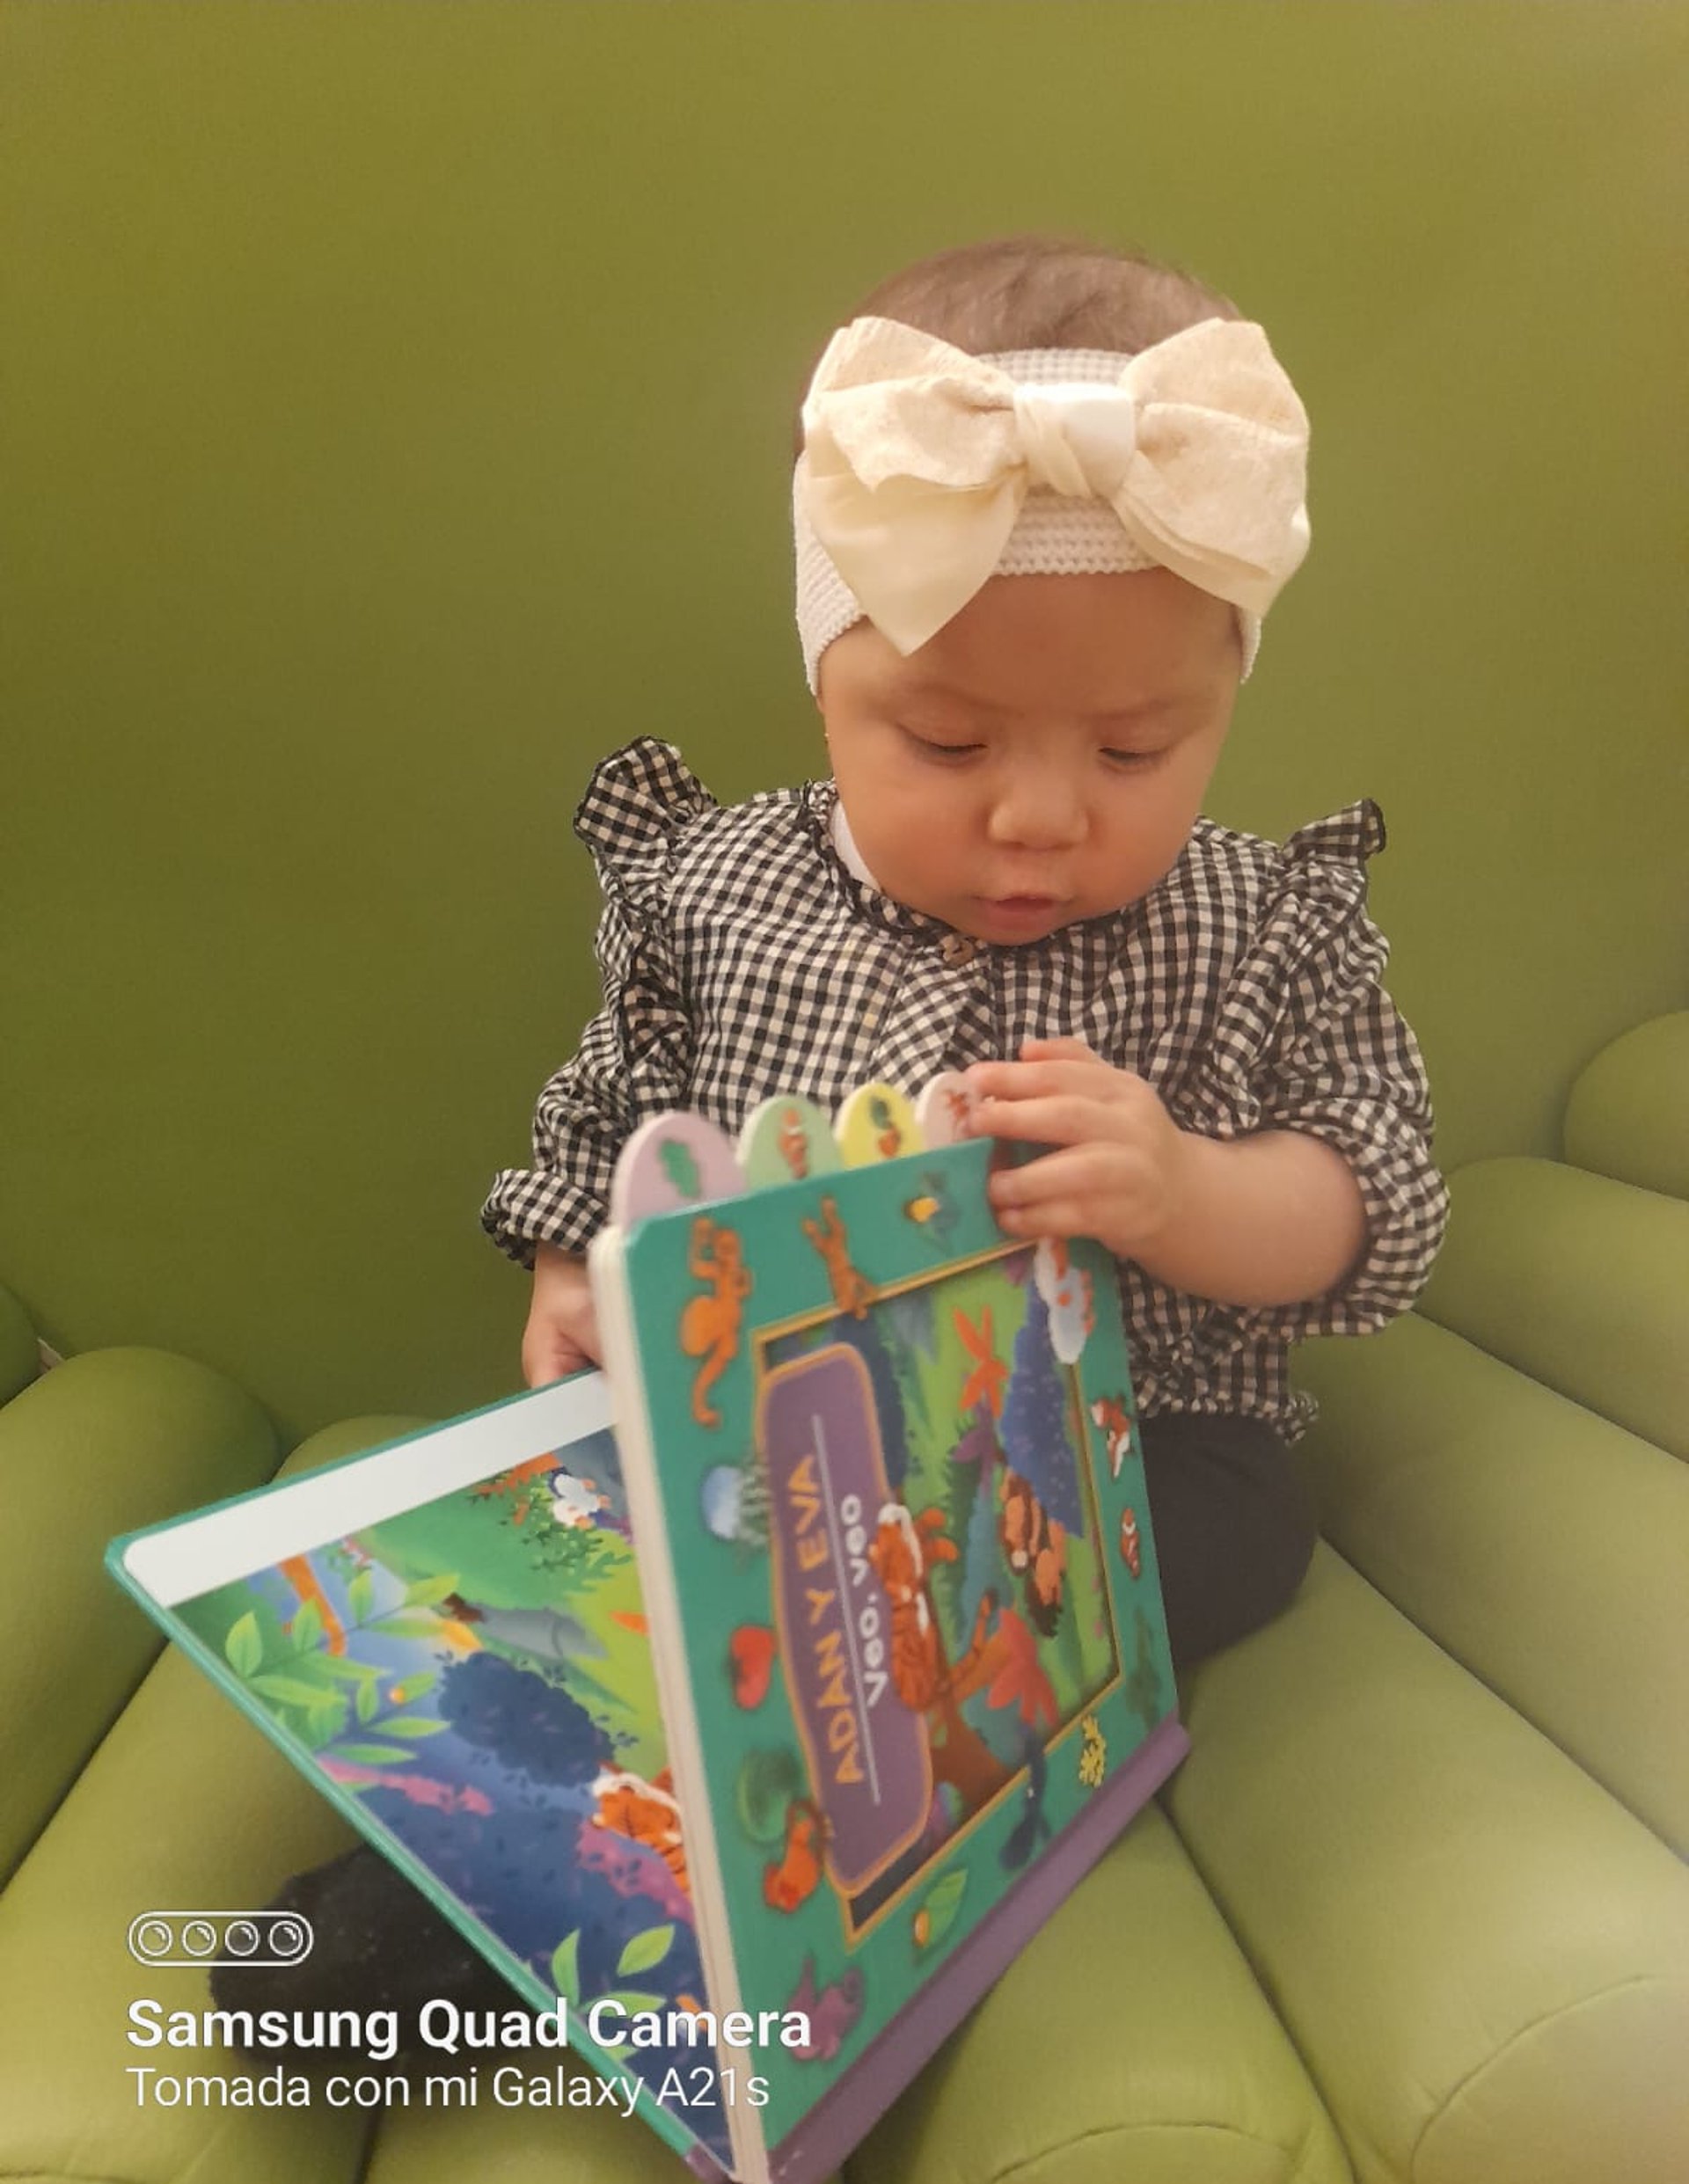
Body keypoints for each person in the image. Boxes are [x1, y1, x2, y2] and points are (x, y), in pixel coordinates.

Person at [226, 230, 1448, 2029]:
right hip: (759, 1430)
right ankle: (467, 1846)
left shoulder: (1264, 923)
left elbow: (1378, 1197)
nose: (1039, 816)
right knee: (576, 1576)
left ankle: (797, 1860)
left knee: (1037, 1601)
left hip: (1130, 1459)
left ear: (1226, 702)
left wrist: (1188, 1190)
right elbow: (616, 1098)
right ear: (825, 677)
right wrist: (571, 1268)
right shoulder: (720, 884)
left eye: (1134, 752)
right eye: (947, 743)